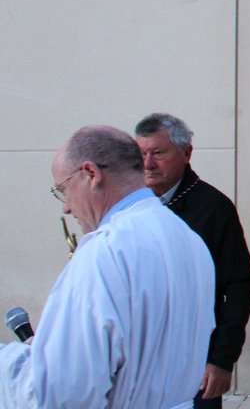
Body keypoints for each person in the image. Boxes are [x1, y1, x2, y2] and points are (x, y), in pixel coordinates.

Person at [0, 126, 214, 408]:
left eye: (63, 189)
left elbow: (59, 394)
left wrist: (8, 363)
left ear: (90, 174)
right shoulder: (189, 239)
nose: (65, 207)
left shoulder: (106, 252)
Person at [135, 112, 250, 409]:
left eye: (158, 153)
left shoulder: (214, 208)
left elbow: (241, 287)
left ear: (186, 153)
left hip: (195, 361)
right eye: (141, 154)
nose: (148, 164)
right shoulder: (132, 207)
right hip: (141, 362)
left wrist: (221, 360)